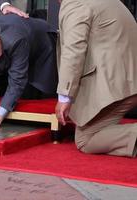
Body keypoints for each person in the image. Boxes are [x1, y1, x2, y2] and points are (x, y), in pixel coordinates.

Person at [55, 0, 137, 157]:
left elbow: (73, 50)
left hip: (118, 84)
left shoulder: (75, 4)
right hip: (128, 79)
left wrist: (64, 97)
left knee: (85, 139)